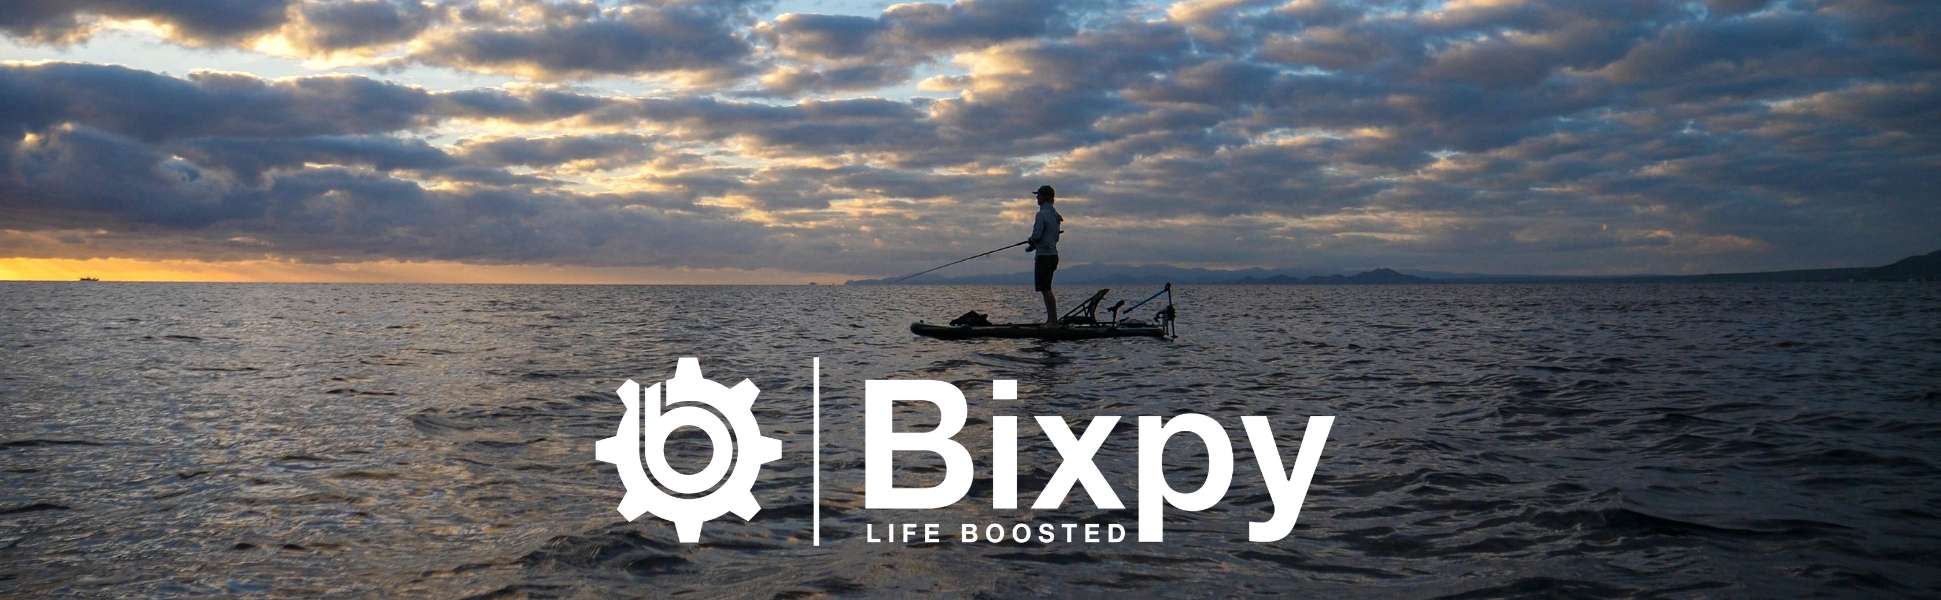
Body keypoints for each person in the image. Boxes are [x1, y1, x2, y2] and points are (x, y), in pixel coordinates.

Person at [1025, 185, 1063, 327]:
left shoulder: (1041, 215)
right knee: (1047, 288)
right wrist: (1033, 245)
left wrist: (1032, 241)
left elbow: (1037, 235)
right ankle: (1051, 320)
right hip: (1053, 255)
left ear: (1045, 197)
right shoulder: (1055, 216)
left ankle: (1052, 322)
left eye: (1038, 195)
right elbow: (1053, 238)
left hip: (1044, 257)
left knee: (1046, 289)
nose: (1036, 198)